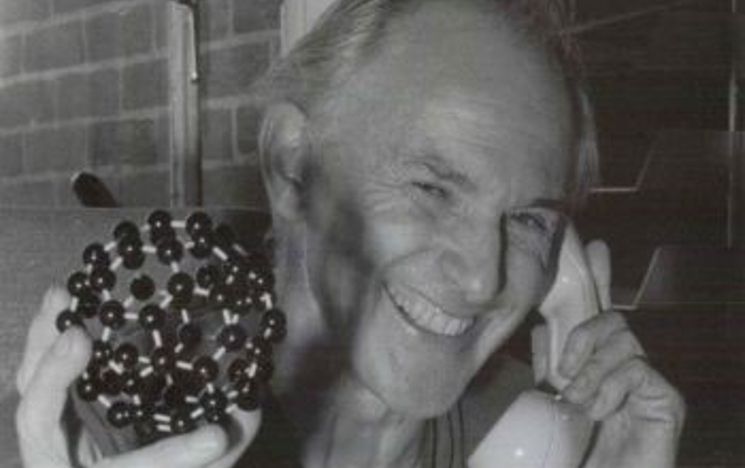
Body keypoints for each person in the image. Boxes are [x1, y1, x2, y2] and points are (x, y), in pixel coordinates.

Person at [14, 0, 685, 466]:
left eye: (530, 219)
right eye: (431, 188)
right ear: (291, 164)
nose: (484, 278)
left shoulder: (524, 436)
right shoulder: (99, 433)